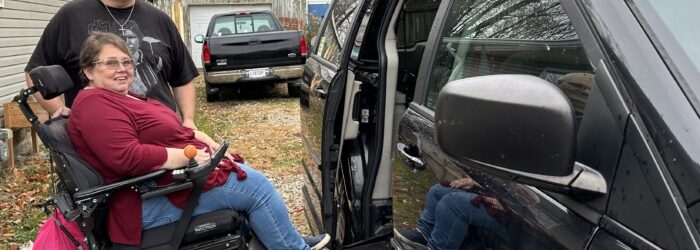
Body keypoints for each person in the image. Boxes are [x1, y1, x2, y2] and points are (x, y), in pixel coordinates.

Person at [66, 32, 330, 249]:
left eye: (126, 62)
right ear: (89, 70)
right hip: (145, 201)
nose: (122, 69)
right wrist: (185, 155)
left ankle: (285, 240)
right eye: (111, 63)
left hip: (162, 184)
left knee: (248, 178)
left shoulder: (117, 97)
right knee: (255, 189)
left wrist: (196, 136)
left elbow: (154, 132)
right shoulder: (94, 106)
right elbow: (125, 157)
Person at [25, 0, 198, 130]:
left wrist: (188, 120)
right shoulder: (71, 16)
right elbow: (35, 72)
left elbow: (182, 77)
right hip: (102, 143)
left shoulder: (160, 19)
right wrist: (59, 109)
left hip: (162, 132)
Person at [394, 176, 509, 249]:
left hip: (514, 221)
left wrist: (506, 201)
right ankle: (424, 235)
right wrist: (474, 182)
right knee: (437, 191)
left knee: (454, 204)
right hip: (496, 194)